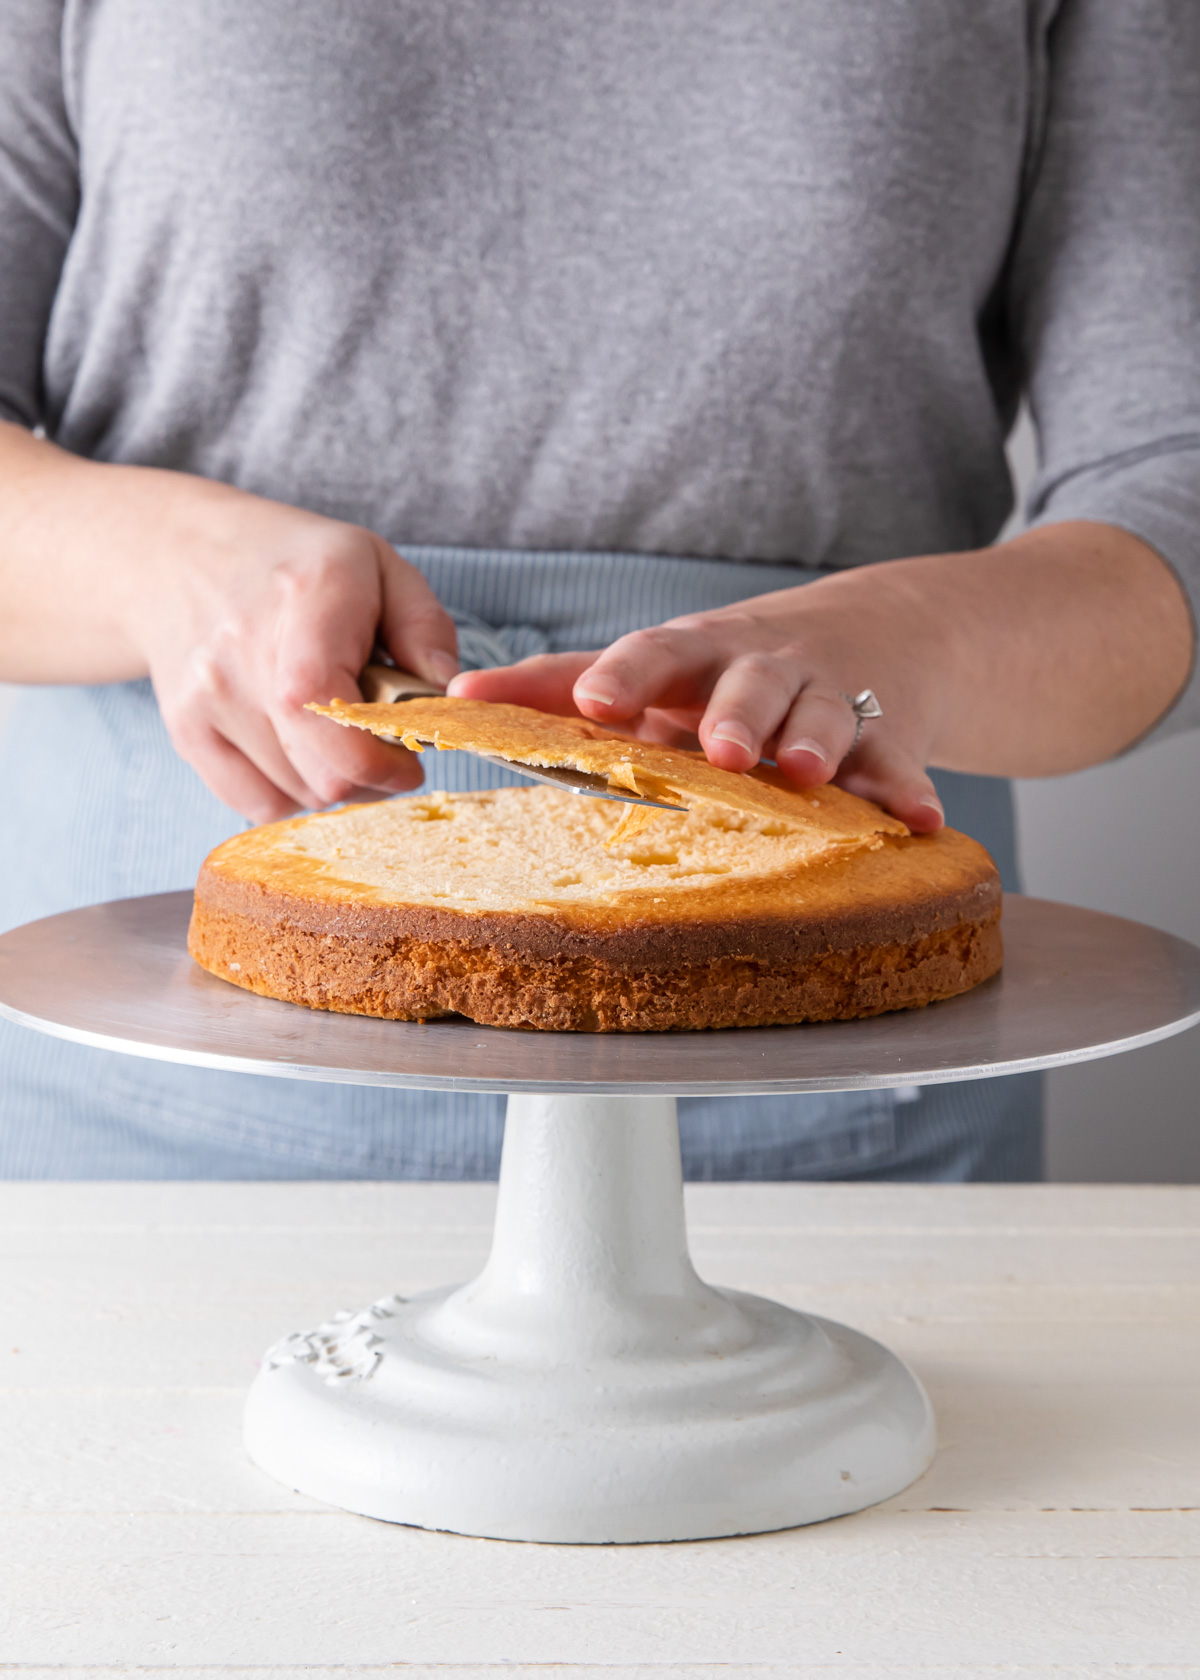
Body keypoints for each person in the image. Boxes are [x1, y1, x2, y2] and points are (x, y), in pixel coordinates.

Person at [0, 1, 1195, 1180]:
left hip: (834, 1100)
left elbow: (1172, 487)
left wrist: (908, 647)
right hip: (148, 1109)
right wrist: (155, 557)